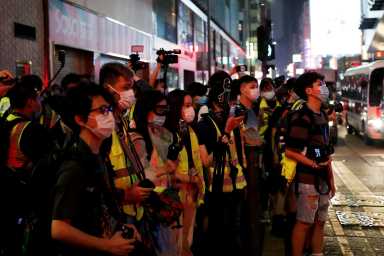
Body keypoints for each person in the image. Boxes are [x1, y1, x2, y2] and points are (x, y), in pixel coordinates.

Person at [51, 82, 137, 256]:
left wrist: (119, 226)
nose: (109, 116)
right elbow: (58, 228)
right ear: (80, 119)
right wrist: (106, 246)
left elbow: (100, 203)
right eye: (103, 111)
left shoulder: (97, 154)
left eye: (110, 110)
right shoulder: (74, 165)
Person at [285, 72, 336, 256]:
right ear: (308, 91)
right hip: (307, 181)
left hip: (322, 179)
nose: (323, 87)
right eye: (319, 83)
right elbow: (290, 151)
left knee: (320, 222)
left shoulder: (322, 114)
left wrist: (331, 180)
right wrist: (312, 164)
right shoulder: (302, 117)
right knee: (304, 222)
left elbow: (325, 151)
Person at [197, 71, 247, 256]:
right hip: (216, 190)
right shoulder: (204, 125)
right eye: (224, 92)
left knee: (234, 232)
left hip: (237, 186)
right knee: (219, 233)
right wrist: (225, 133)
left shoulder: (231, 120)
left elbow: (238, 154)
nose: (228, 98)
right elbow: (205, 161)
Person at [0, 75, 51, 255]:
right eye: (37, 99)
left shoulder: (4, 120)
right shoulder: (32, 129)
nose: (40, 103)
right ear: (30, 102)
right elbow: (48, 167)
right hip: (23, 199)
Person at [166, 89, 205, 256]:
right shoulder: (167, 134)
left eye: (192, 105)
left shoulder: (190, 131)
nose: (192, 110)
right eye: (187, 105)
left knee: (187, 240)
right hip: (177, 195)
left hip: (192, 193)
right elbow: (166, 170)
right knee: (177, 244)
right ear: (176, 108)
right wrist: (189, 178)